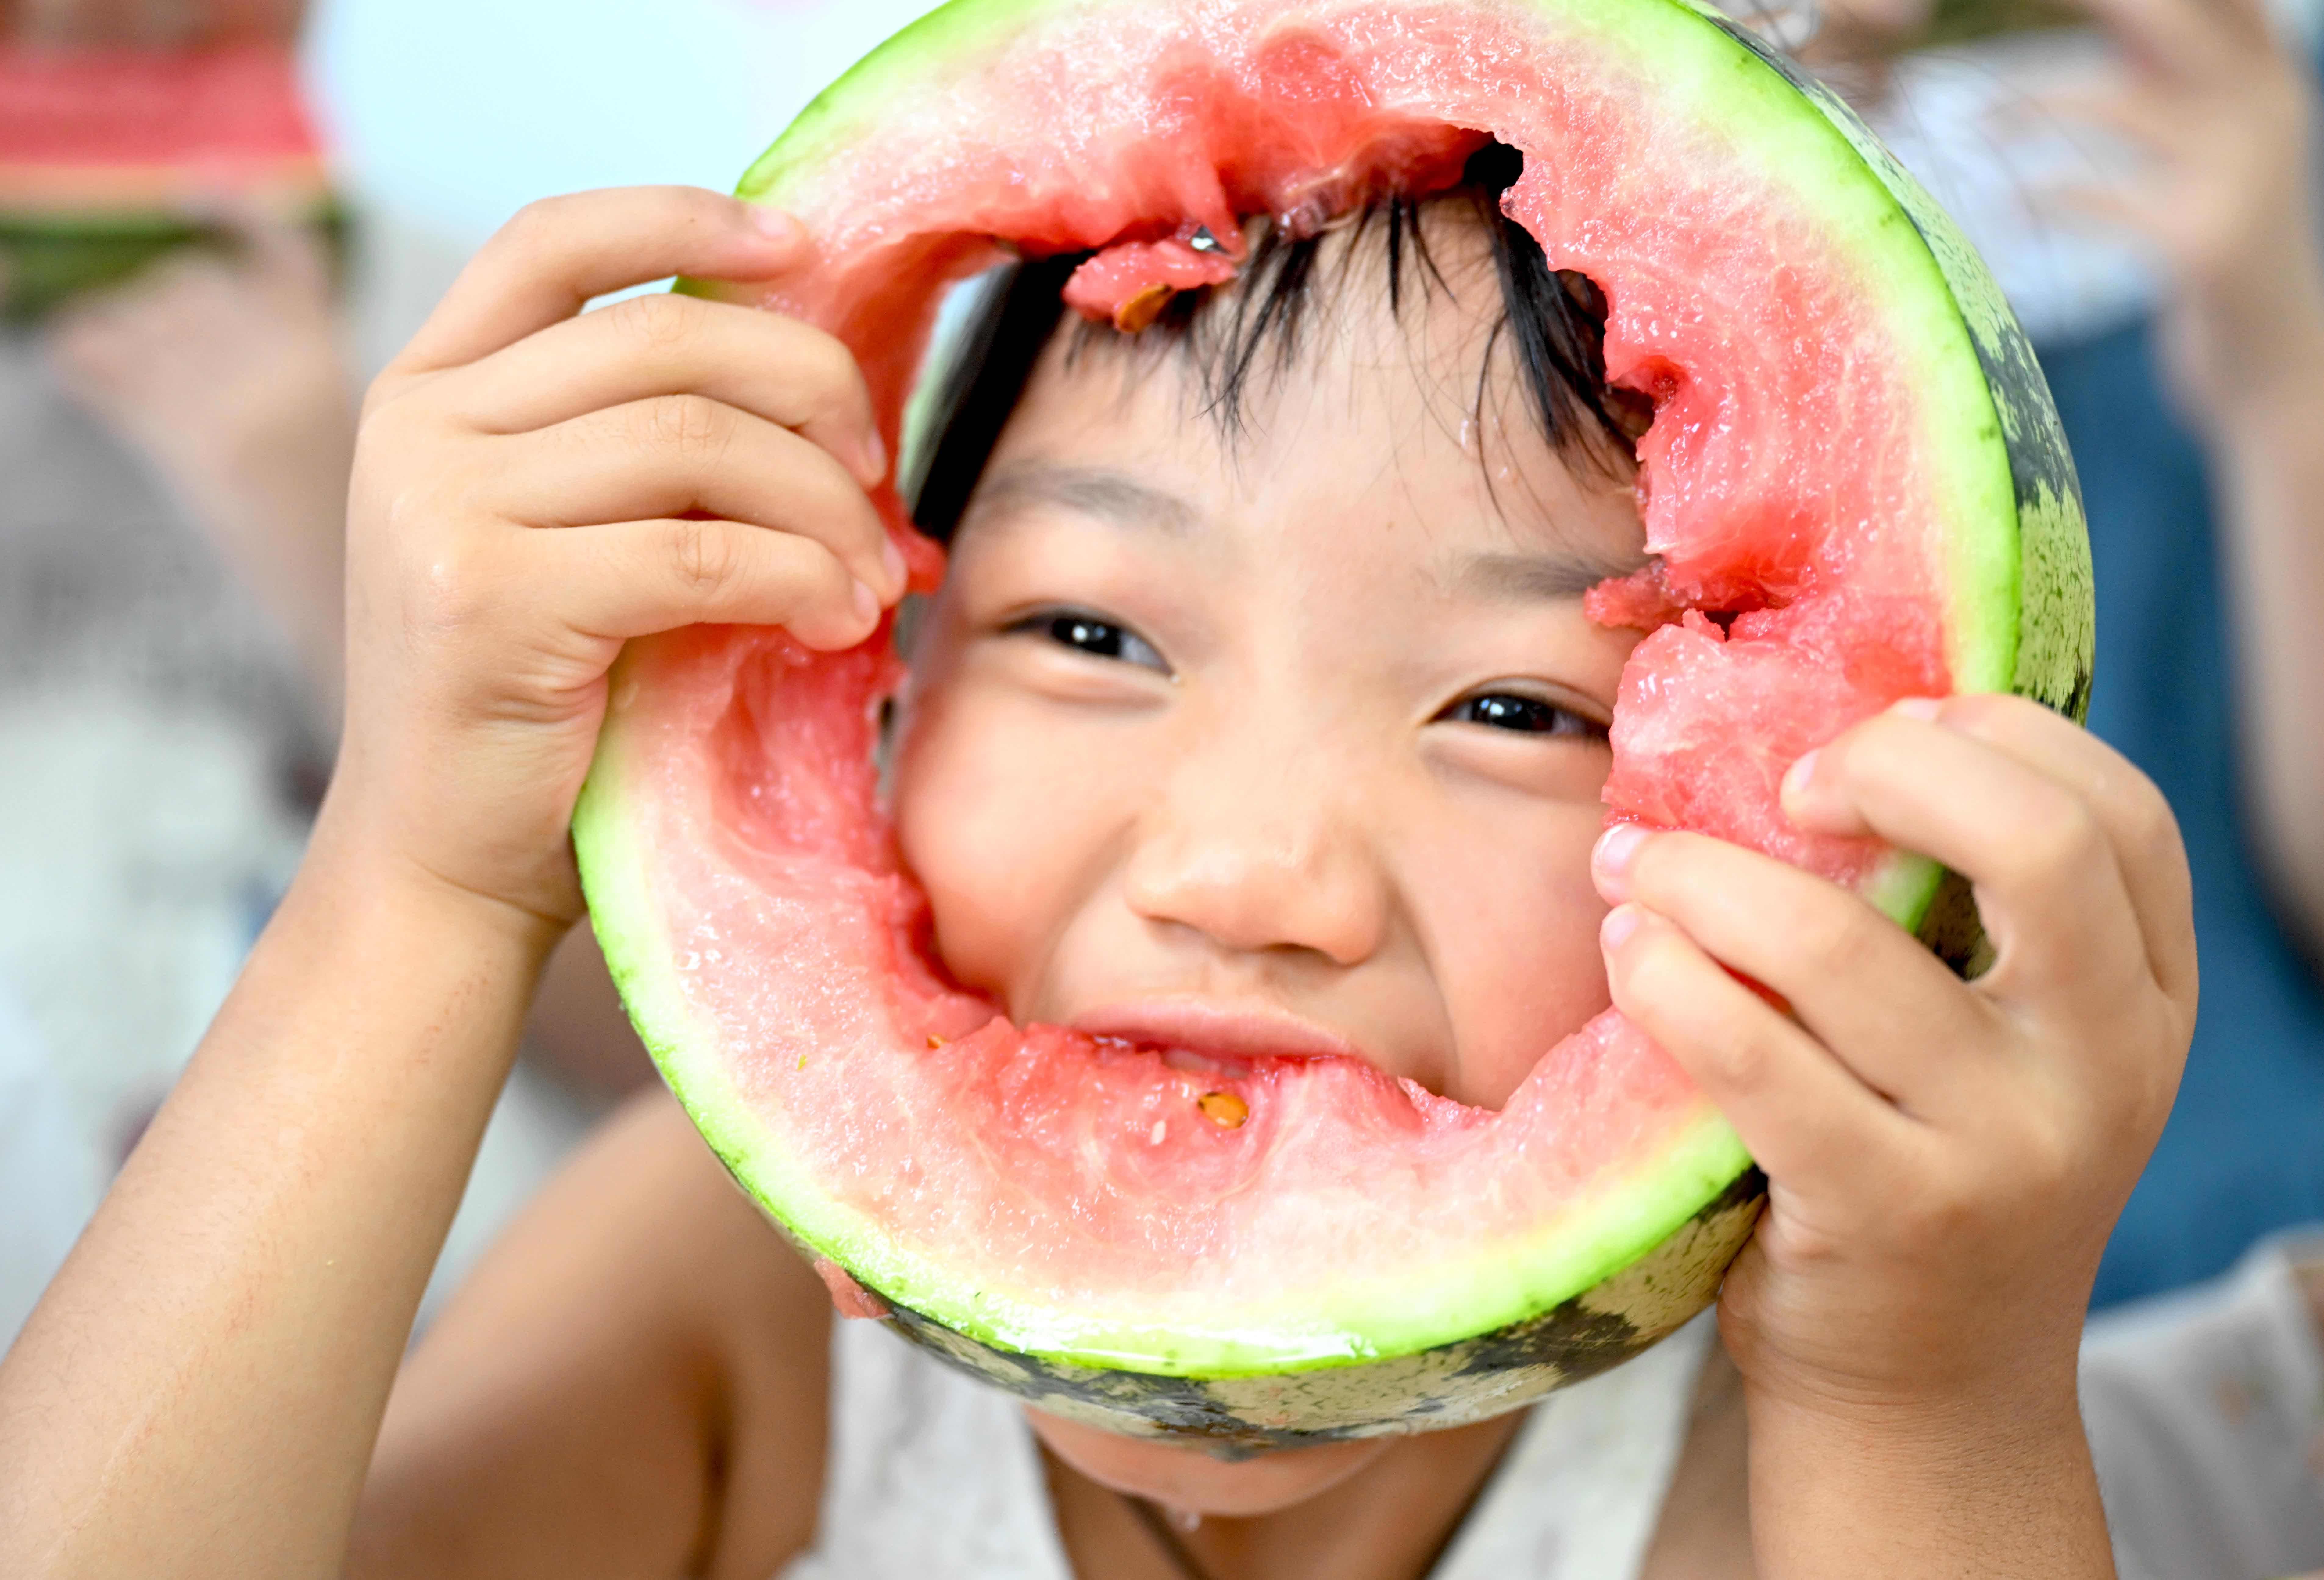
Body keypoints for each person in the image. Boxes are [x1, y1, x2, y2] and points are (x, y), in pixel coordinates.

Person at [0, 175, 2195, 1578]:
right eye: (1090, 636)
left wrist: (1927, 1397)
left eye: (1527, 710)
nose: (1248, 876)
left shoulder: (1781, 1428)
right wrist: (418, 894)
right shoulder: (731, 1303)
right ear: (871, 686)